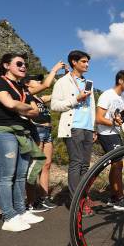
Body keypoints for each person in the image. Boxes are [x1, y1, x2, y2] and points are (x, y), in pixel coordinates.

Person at [0, 53, 43, 232]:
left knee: (20, 175)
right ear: (6, 65)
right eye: (18, 63)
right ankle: (9, 216)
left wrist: (23, 108)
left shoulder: (22, 87)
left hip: (22, 133)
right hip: (3, 133)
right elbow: (9, 103)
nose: (23, 67)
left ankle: (21, 210)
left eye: (25, 64)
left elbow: (36, 111)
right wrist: (25, 108)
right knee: (5, 176)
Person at [51, 50, 96, 210]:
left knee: (85, 165)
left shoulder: (89, 83)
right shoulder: (62, 82)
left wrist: (93, 128)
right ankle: (76, 202)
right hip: (73, 128)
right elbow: (54, 105)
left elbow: (92, 107)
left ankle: (84, 197)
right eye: (84, 61)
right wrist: (75, 99)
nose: (87, 64)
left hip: (87, 128)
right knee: (76, 163)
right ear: (74, 62)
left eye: (88, 62)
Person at [24, 61, 66, 212]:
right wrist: (54, 69)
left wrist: (67, 77)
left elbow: (57, 93)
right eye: (36, 79)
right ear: (27, 84)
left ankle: (43, 198)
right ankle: (31, 202)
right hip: (36, 130)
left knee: (46, 165)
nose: (39, 81)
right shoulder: (27, 94)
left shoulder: (40, 99)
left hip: (47, 132)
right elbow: (46, 85)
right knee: (34, 166)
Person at [96, 69, 124, 211]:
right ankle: (119, 197)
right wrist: (116, 123)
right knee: (118, 164)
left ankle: (114, 196)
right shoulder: (107, 95)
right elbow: (99, 118)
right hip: (106, 133)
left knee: (117, 164)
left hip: (116, 133)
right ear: (120, 81)